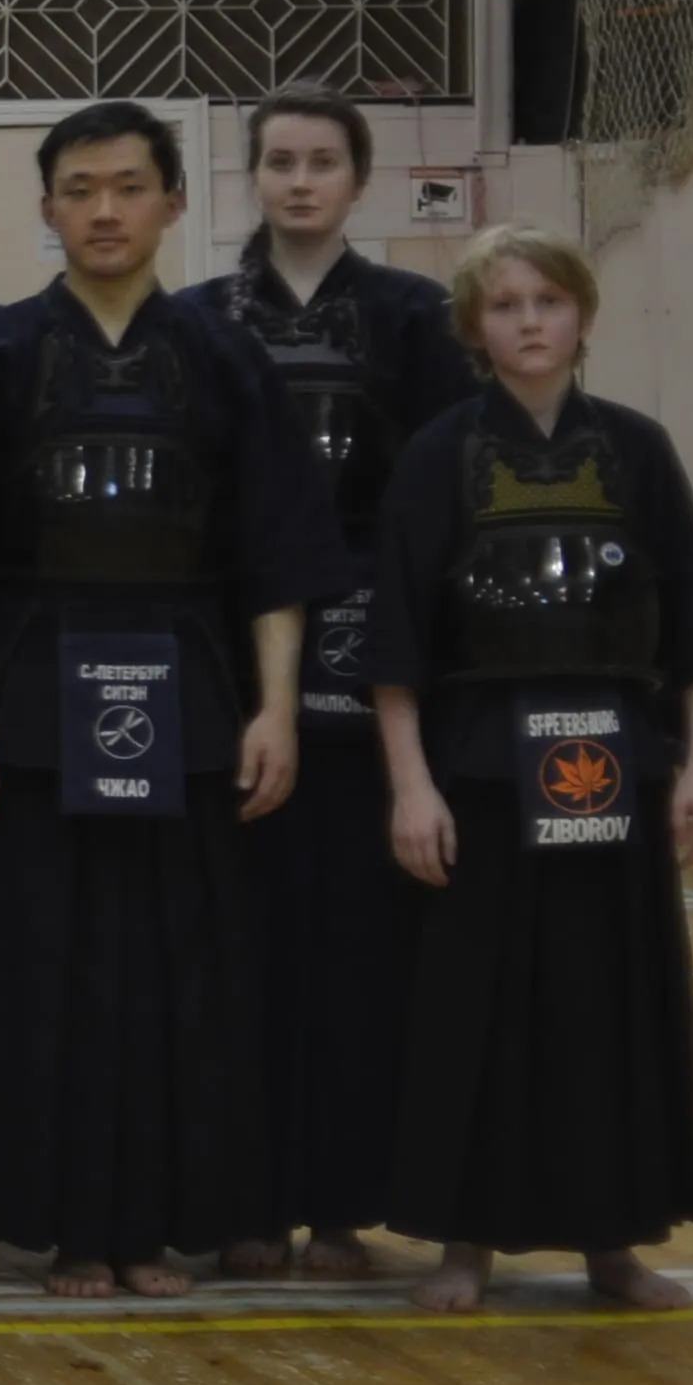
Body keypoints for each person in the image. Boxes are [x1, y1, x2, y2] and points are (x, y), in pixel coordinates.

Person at [0, 103, 333, 1298]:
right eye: (79, 188)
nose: (103, 209)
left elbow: (278, 554)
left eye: (128, 186)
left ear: (173, 204)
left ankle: (155, 1226)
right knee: (49, 968)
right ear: (45, 209)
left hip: (189, 685)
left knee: (181, 968)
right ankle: (70, 1229)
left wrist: (275, 708)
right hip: (36, 683)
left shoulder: (225, 354)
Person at [367, 224, 693, 1315]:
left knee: (609, 1003)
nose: (530, 320)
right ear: (477, 326)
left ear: (582, 315)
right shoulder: (438, 452)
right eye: (507, 303)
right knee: (476, 1005)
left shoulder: (636, 447)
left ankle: (614, 1241)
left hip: (614, 761)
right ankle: (464, 1244)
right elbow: (397, 641)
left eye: (549, 301)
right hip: (479, 764)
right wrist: (411, 783)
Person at [216, 90, 471, 1279]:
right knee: (243, 935)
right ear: (252, 176)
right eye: (280, 160)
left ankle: (338, 1204)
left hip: (369, 644)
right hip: (234, 648)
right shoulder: (200, 316)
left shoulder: (417, 316)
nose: (301, 179)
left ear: (358, 179)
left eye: (323, 161)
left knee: (358, 943)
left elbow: (441, 501)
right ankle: (245, 1197)